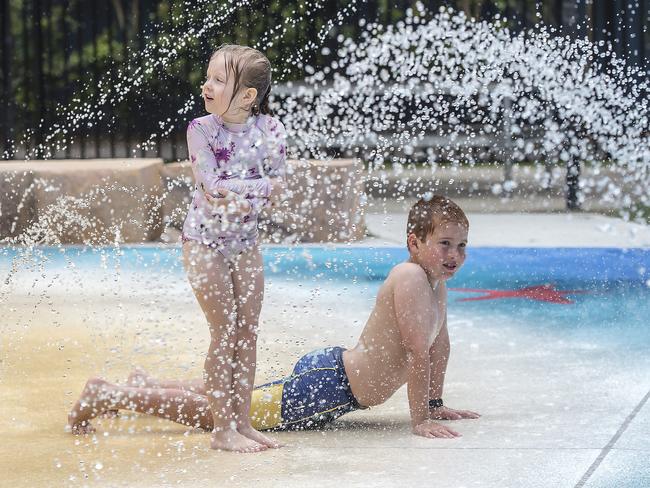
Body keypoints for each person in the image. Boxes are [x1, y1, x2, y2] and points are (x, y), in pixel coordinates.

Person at [68, 195, 480, 442]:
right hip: (328, 387)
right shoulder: (409, 276)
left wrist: (436, 402)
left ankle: (150, 385)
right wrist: (420, 420)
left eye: (461, 246)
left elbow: (439, 345)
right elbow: (416, 350)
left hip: (331, 380)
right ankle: (110, 396)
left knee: (240, 398)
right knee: (221, 414)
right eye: (444, 244)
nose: (454, 255)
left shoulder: (435, 283)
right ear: (414, 242)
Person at [180, 44, 286, 452]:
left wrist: (245, 190)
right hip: (203, 241)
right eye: (208, 77)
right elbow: (211, 187)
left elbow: (278, 188)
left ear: (247, 95)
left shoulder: (270, 131)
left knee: (248, 332)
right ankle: (221, 429)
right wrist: (254, 188)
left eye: (219, 80)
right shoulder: (201, 130)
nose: (207, 85)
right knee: (223, 332)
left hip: (245, 243)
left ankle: (242, 423)